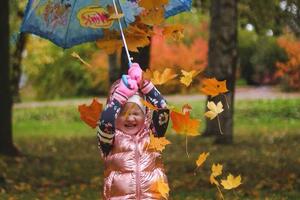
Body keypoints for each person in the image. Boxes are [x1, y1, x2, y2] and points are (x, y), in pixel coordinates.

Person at [97, 63, 170, 199]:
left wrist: (145, 84)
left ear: (145, 114)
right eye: (123, 113)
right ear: (115, 116)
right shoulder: (110, 139)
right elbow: (105, 122)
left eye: (136, 113)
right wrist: (119, 98)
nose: (130, 118)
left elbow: (163, 109)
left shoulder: (153, 134)